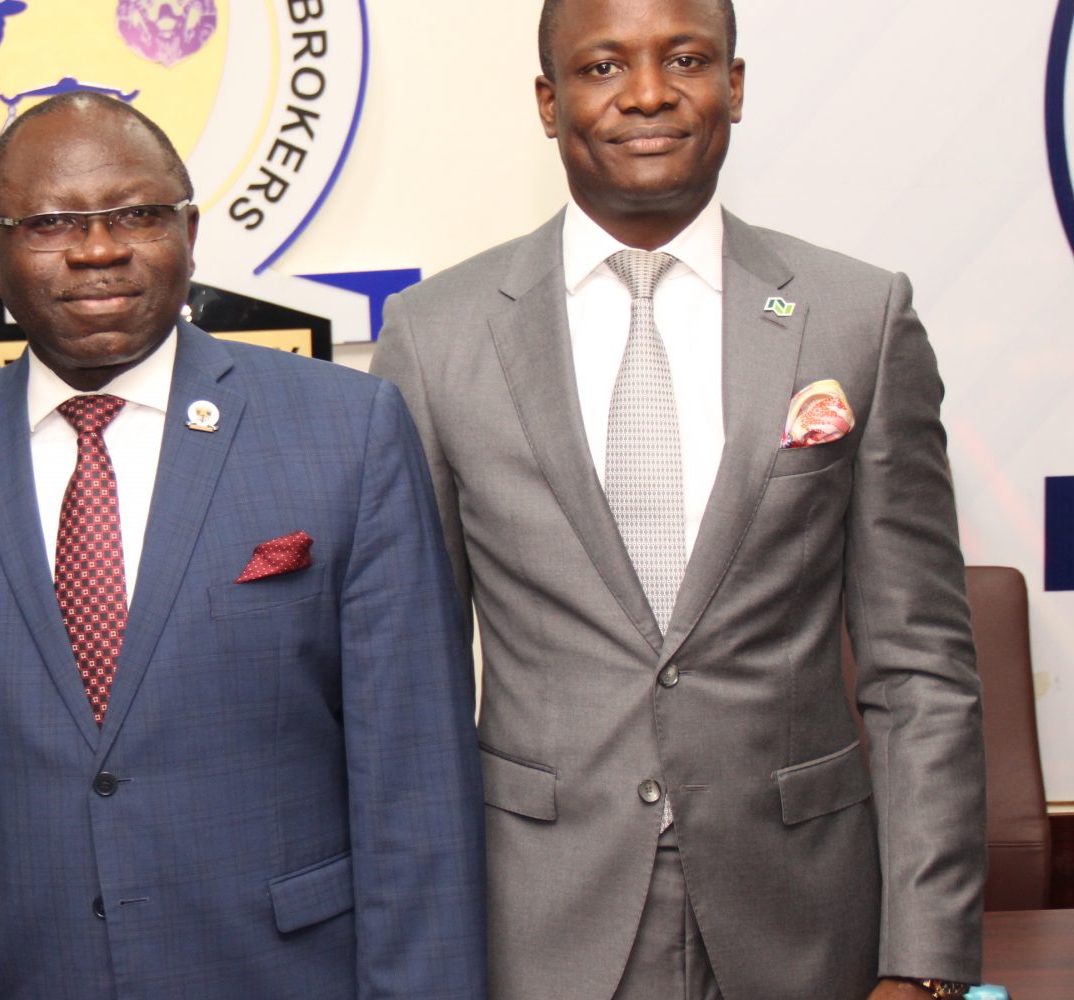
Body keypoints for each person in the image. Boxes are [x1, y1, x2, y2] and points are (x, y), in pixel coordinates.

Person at [370, 1, 985, 998]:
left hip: (806, 919)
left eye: (687, 58)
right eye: (603, 65)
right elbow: (408, 688)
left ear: (734, 85)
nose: (648, 94)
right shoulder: (435, 337)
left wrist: (923, 962)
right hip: (536, 923)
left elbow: (921, 669)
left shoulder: (855, 318)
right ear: (548, 100)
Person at [0, 93, 485, 999]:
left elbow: (415, 785)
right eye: (50, 223)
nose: (99, 248)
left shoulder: (346, 432)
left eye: (138, 214)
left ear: (190, 233)